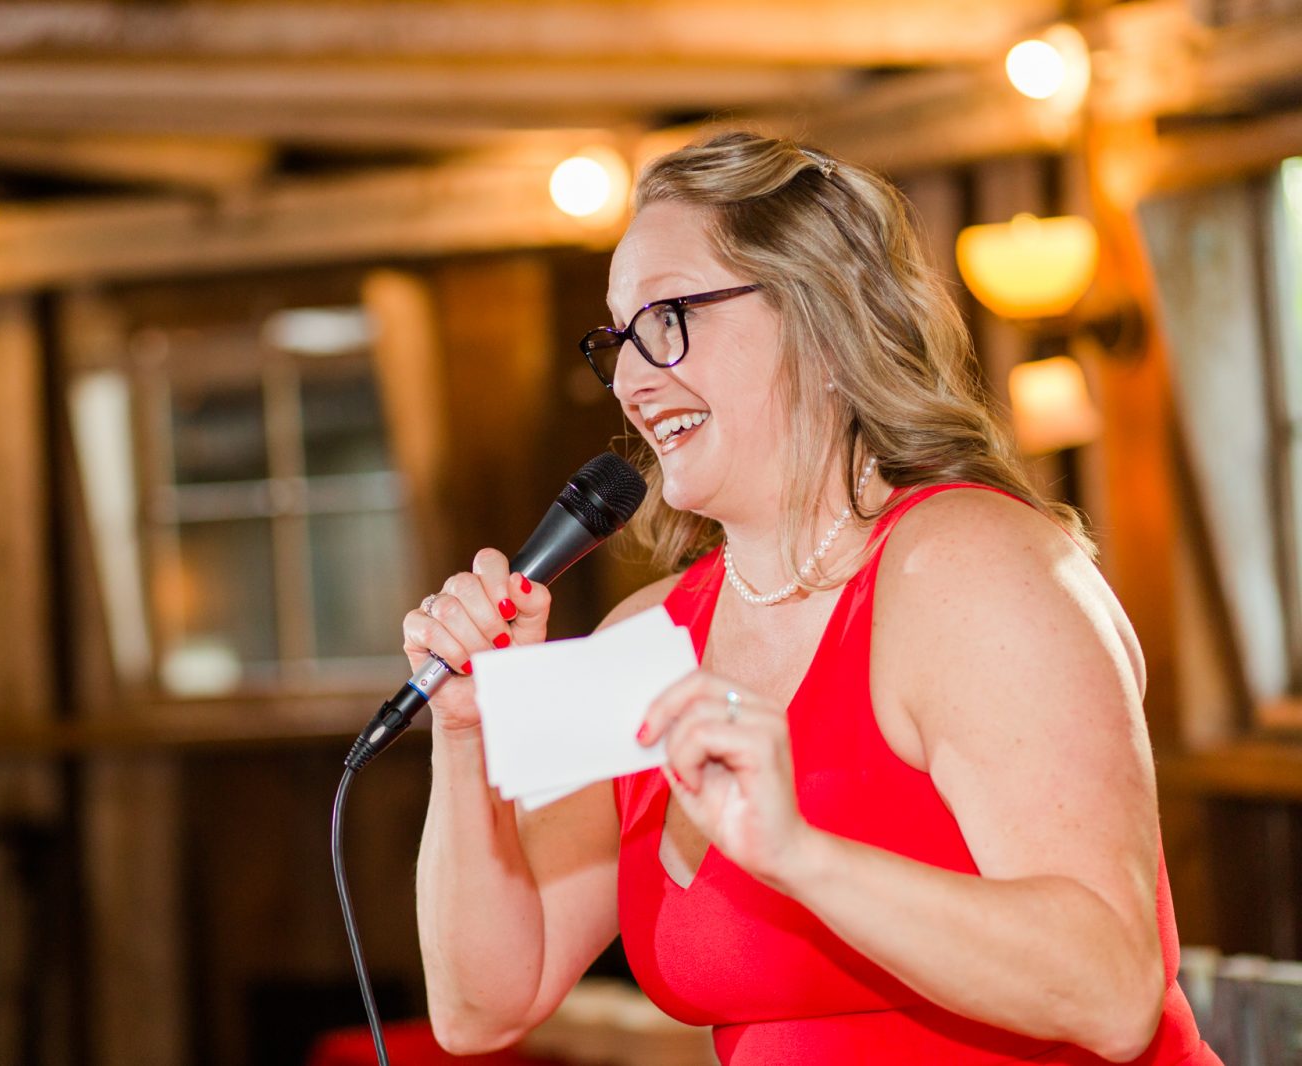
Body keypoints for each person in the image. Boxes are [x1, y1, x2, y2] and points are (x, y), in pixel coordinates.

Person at [405, 131, 1216, 1064]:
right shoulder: (650, 639)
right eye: (619, 339)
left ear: (820, 320)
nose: (630, 381)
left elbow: (1112, 992)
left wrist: (801, 855)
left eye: (669, 317)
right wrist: (465, 737)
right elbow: (482, 1010)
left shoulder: (969, 568)